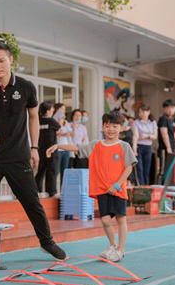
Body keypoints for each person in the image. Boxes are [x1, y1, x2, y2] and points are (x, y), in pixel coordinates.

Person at [0, 41, 67, 265]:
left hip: (19, 155)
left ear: (11, 60)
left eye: (1, 60)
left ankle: (46, 241)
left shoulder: (26, 87)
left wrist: (34, 148)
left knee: (31, 202)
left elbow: (33, 117)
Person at [46, 111, 137, 262]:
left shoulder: (124, 146)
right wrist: (57, 145)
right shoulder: (96, 144)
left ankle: (121, 250)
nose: (111, 129)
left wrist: (116, 184)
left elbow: (129, 168)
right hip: (102, 189)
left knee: (121, 219)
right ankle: (113, 245)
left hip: (117, 189)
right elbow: (77, 148)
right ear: (103, 126)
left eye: (115, 126)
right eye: (107, 126)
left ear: (121, 128)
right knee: (106, 220)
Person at [34, 102, 60, 197]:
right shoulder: (51, 121)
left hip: (41, 150)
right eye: (52, 110)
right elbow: (59, 128)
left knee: (41, 170)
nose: (53, 111)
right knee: (52, 171)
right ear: (48, 111)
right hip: (52, 149)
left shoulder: (38, 121)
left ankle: (37, 190)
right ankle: (51, 191)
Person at [131, 104, 157, 185]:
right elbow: (135, 136)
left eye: (143, 112)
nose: (141, 114)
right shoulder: (136, 122)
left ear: (149, 112)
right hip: (139, 147)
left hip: (148, 148)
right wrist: (134, 149)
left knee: (146, 170)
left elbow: (155, 136)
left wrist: (147, 136)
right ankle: (140, 187)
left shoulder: (153, 122)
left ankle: (146, 187)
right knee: (139, 169)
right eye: (139, 112)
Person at [157, 99, 175, 186]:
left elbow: (174, 134)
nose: (171, 110)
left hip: (172, 149)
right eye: (169, 108)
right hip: (164, 149)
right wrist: (168, 147)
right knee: (162, 169)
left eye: (173, 108)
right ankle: (159, 188)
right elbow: (164, 133)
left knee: (169, 170)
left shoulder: (172, 120)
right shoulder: (163, 119)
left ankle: (166, 188)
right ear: (164, 108)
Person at [54, 103, 73, 190]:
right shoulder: (54, 120)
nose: (63, 111)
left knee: (65, 171)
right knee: (56, 170)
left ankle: (64, 190)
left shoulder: (66, 122)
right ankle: (53, 190)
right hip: (58, 148)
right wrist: (60, 124)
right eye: (62, 109)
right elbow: (57, 134)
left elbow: (71, 133)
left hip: (66, 148)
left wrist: (64, 133)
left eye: (64, 109)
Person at [119, 114, 138, 185]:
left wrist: (134, 150)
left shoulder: (131, 129)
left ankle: (130, 182)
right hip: (120, 150)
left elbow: (134, 139)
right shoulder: (120, 129)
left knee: (130, 166)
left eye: (125, 119)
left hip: (129, 150)